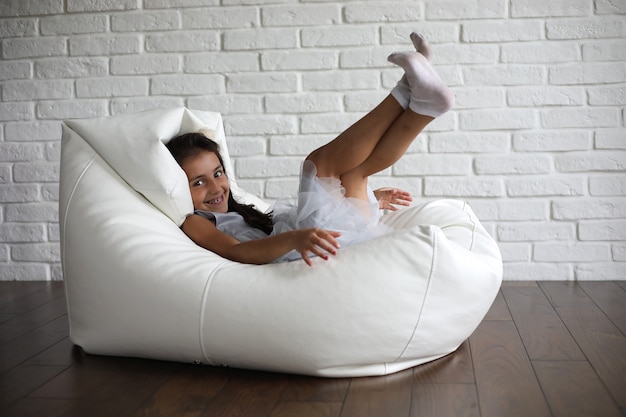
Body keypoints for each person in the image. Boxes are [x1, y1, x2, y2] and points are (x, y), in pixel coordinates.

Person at [166, 32, 454, 266]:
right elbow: (236, 252)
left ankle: (424, 105)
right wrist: (294, 239)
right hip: (305, 250)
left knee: (355, 173)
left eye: (218, 174)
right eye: (199, 182)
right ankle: (408, 90)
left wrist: (373, 201)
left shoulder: (238, 211)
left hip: (327, 239)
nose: (216, 188)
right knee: (317, 165)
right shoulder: (194, 222)